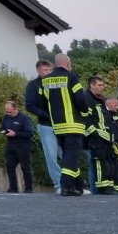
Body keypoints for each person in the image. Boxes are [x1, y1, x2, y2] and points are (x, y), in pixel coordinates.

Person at [39, 52, 90, 196]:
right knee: (71, 155)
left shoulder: (45, 80)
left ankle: (77, 186)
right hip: (73, 124)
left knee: (68, 155)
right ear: (68, 64)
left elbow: (43, 103)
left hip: (57, 125)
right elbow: (80, 99)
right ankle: (66, 186)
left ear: (55, 64)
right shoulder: (71, 76)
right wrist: (86, 113)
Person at [24, 59, 61, 192]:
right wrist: (46, 115)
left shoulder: (56, 84)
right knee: (51, 155)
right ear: (38, 71)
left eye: (50, 70)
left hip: (62, 124)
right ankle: (59, 184)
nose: (48, 72)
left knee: (67, 154)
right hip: (46, 125)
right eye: (45, 70)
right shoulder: (33, 86)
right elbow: (29, 105)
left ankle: (72, 183)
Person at [83, 77, 118, 194]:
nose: (102, 87)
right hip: (95, 138)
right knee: (99, 164)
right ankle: (100, 190)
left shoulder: (101, 100)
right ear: (91, 85)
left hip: (105, 138)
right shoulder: (87, 98)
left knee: (108, 163)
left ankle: (108, 187)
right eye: (99, 85)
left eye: (102, 85)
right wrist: (95, 133)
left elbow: (105, 119)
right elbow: (85, 118)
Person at [0, 100, 34, 193]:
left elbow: (29, 133)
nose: (8, 113)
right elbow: (2, 128)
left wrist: (15, 134)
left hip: (23, 146)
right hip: (10, 145)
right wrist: (4, 132)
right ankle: (13, 188)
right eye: (6, 111)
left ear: (15, 109)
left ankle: (28, 188)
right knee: (9, 166)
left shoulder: (24, 119)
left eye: (10, 111)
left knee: (25, 167)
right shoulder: (6, 118)